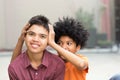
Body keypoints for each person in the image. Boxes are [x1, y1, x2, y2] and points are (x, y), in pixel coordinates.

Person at [10, 16, 89, 80]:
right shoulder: (56, 61)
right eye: (59, 43)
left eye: (69, 43)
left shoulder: (81, 59)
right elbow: (15, 65)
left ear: (78, 47)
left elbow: (81, 64)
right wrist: (21, 40)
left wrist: (53, 44)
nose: (64, 47)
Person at [8, 15, 65, 80]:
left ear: (48, 41)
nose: (36, 39)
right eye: (31, 34)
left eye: (42, 36)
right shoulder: (14, 67)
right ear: (24, 36)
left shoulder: (58, 65)